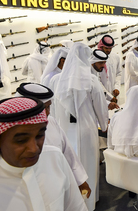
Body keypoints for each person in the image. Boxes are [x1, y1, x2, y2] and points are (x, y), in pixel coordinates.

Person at [0, 97, 88, 211]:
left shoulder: (54, 157)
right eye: (21, 140)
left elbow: (75, 207)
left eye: (40, 136)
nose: (34, 149)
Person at [51, 43, 110, 211]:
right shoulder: (91, 80)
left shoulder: (56, 80)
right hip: (86, 131)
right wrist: (104, 125)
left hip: (64, 131)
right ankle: (89, 202)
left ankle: (73, 203)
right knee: (88, 165)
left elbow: (53, 109)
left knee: (69, 166)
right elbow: (100, 107)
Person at [15, 82, 91, 198]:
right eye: (42, 108)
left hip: (59, 186)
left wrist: (80, 181)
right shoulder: (12, 135)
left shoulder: (51, 122)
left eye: (48, 107)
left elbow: (68, 152)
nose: (47, 112)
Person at [97, 35, 122, 102]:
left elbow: (119, 73)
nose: (109, 50)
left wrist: (116, 88)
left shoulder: (116, 57)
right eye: (106, 48)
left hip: (114, 94)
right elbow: (97, 80)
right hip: (101, 95)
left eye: (110, 48)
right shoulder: (96, 59)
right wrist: (109, 96)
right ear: (101, 46)